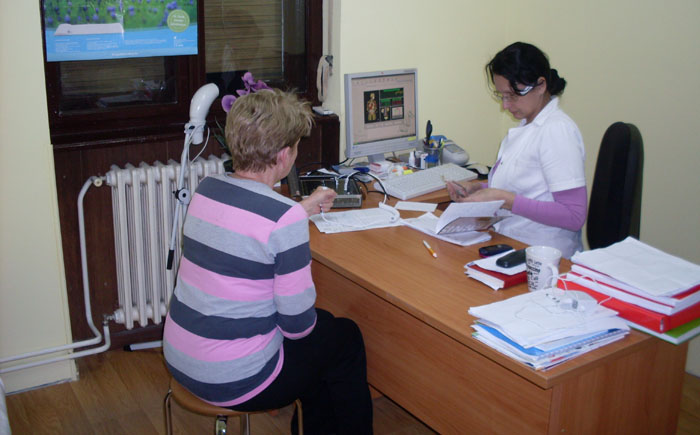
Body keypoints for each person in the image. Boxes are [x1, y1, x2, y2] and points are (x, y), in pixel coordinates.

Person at [162, 89, 374, 434]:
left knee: (324, 333)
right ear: (284, 155)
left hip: (182, 357)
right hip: (234, 379)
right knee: (344, 338)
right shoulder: (283, 219)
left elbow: (248, 223)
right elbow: (297, 327)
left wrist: (299, 210)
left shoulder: (207, 189)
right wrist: (293, 216)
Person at [447, 42, 587, 258]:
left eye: (512, 95)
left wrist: (503, 198)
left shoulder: (557, 130)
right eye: (501, 95)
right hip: (512, 244)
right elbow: (530, 188)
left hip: (546, 257)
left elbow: (574, 215)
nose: (505, 105)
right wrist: (480, 189)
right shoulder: (528, 125)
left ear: (540, 85)